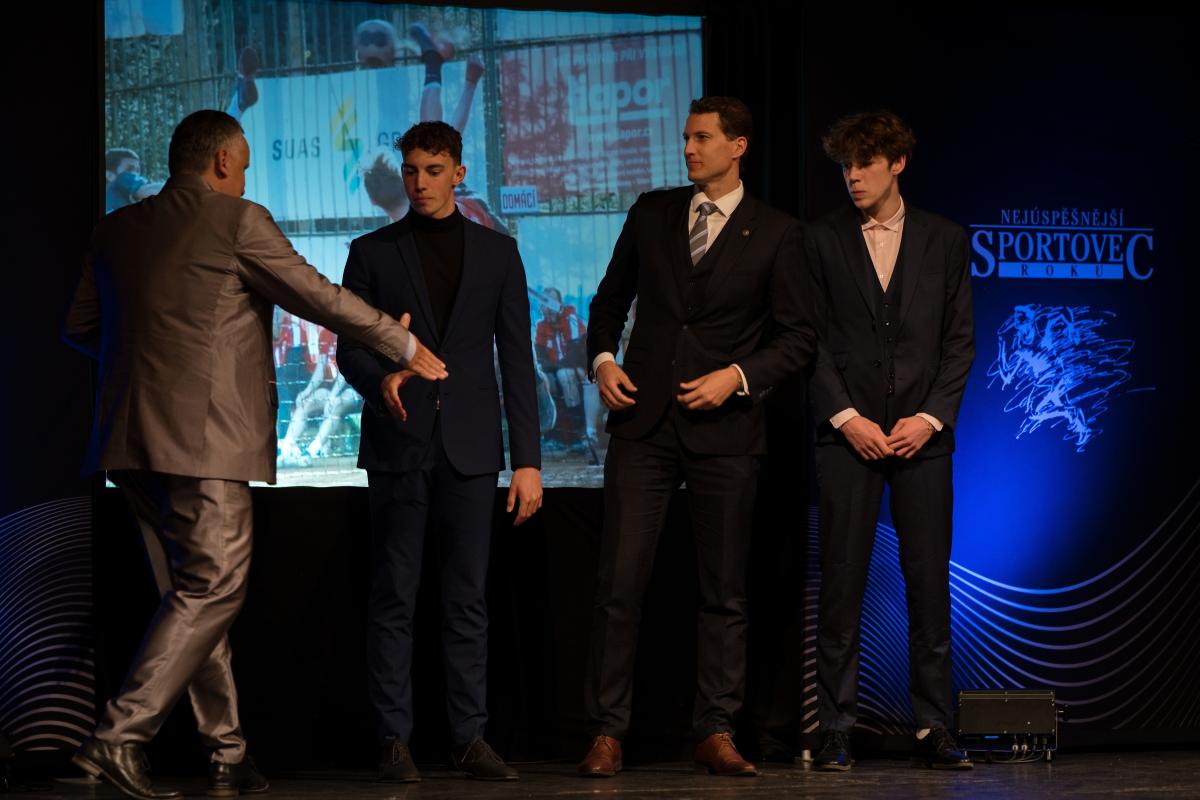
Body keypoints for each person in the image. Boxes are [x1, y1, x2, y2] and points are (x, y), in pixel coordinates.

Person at [64, 109, 447, 800]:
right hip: (203, 439)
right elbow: (316, 295)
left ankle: (227, 753)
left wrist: (149, 371)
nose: (243, 178)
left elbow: (81, 327)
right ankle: (118, 737)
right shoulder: (236, 220)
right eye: (242, 166)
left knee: (194, 598)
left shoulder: (114, 229)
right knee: (212, 589)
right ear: (220, 162)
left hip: (128, 442)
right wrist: (401, 342)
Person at [579, 96, 816, 779]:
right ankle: (607, 731)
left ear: (738, 146)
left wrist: (736, 377)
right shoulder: (652, 212)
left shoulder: (778, 232)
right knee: (620, 583)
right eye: (686, 137)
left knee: (724, 590)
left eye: (703, 138)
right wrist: (603, 361)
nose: (689, 148)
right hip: (643, 425)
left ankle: (715, 729)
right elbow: (608, 302)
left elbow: (798, 337)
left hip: (727, 430)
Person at [336, 120, 542, 783]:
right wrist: (382, 377)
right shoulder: (372, 253)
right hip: (399, 442)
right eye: (411, 171)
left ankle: (468, 737)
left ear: (458, 172)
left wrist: (528, 461)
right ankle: (393, 739)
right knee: (394, 596)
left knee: (466, 599)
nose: (419, 183)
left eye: (432, 170)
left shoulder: (497, 253)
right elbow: (349, 350)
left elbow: (517, 359)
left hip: (472, 450)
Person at [804, 111, 975, 772]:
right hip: (847, 437)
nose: (853, 176)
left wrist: (929, 418)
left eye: (866, 163)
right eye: (846, 165)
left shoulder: (945, 239)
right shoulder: (821, 239)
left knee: (928, 582)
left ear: (897, 163)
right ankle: (836, 727)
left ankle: (935, 727)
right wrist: (846, 417)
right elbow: (809, 340)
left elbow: (959, 342)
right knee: (842, 582)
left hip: (921, 439)